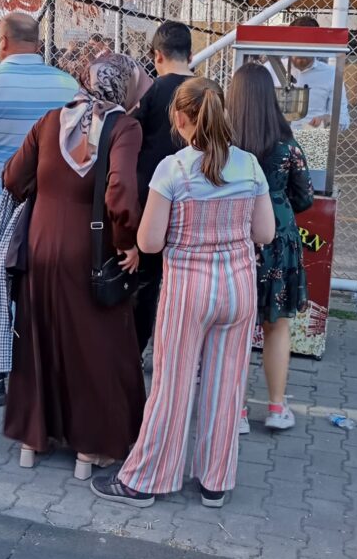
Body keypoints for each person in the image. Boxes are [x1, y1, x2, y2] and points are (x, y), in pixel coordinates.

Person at [92, 77, 275, 509]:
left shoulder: (172, 169)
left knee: (172, 385)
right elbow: (265, 232)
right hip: (238, 288)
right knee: (226, 384)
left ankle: (146, 480)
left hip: (189, 290)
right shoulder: (250, 165)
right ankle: (215, 482)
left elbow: (150, 241)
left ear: (179, 118)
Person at [3, 52, 149, 477]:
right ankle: (90, 448)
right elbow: (120, 191)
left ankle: (32, 440)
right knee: (97, 346)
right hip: (90, 250)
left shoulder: (51, 120)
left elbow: (13, 178)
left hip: (39, 243)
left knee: (39, 337)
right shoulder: (125, 127)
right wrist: (128, 242)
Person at [0, 12, 79, 404]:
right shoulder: (67, 84)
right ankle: (34, 371)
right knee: (38, 285)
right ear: (39, 44)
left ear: (3, 41)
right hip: (48, 204)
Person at [227, 62, 314, 432]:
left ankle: (237, 412)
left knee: (237, 327)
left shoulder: (224, 143)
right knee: (276, 325)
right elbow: (305, 196)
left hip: (233, 238)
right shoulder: (287, 144)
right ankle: (277, 409)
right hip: (279, 238)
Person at [132, 20, 194, 357]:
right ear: (190, 54)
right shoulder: (208, 91)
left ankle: (136, 349)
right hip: (197, 195)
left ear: (157, 55)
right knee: (186, 279)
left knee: (147, 278)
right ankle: (177, 352)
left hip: (151, 196)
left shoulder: (151, 92)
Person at [289, 16, 350, 129]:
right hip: (276, 136)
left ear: (316, 45)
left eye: (307, 45)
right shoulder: (271, 68)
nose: (301, 50)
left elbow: (343, 121)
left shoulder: (331, 74)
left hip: (312, 136)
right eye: (297, 44)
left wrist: (326, 119)